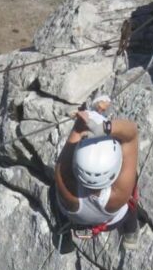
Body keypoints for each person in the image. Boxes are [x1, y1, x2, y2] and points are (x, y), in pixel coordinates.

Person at [53, 96, 141, 251]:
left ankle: (64, 232)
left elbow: (78, 129)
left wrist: (91, 115)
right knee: (132, 185)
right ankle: (130, 232)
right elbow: (131, 133)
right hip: (110, 223)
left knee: (53, 191)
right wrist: (104, 128)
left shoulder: (65, 183)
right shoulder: (118, 194)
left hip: (77, 220)